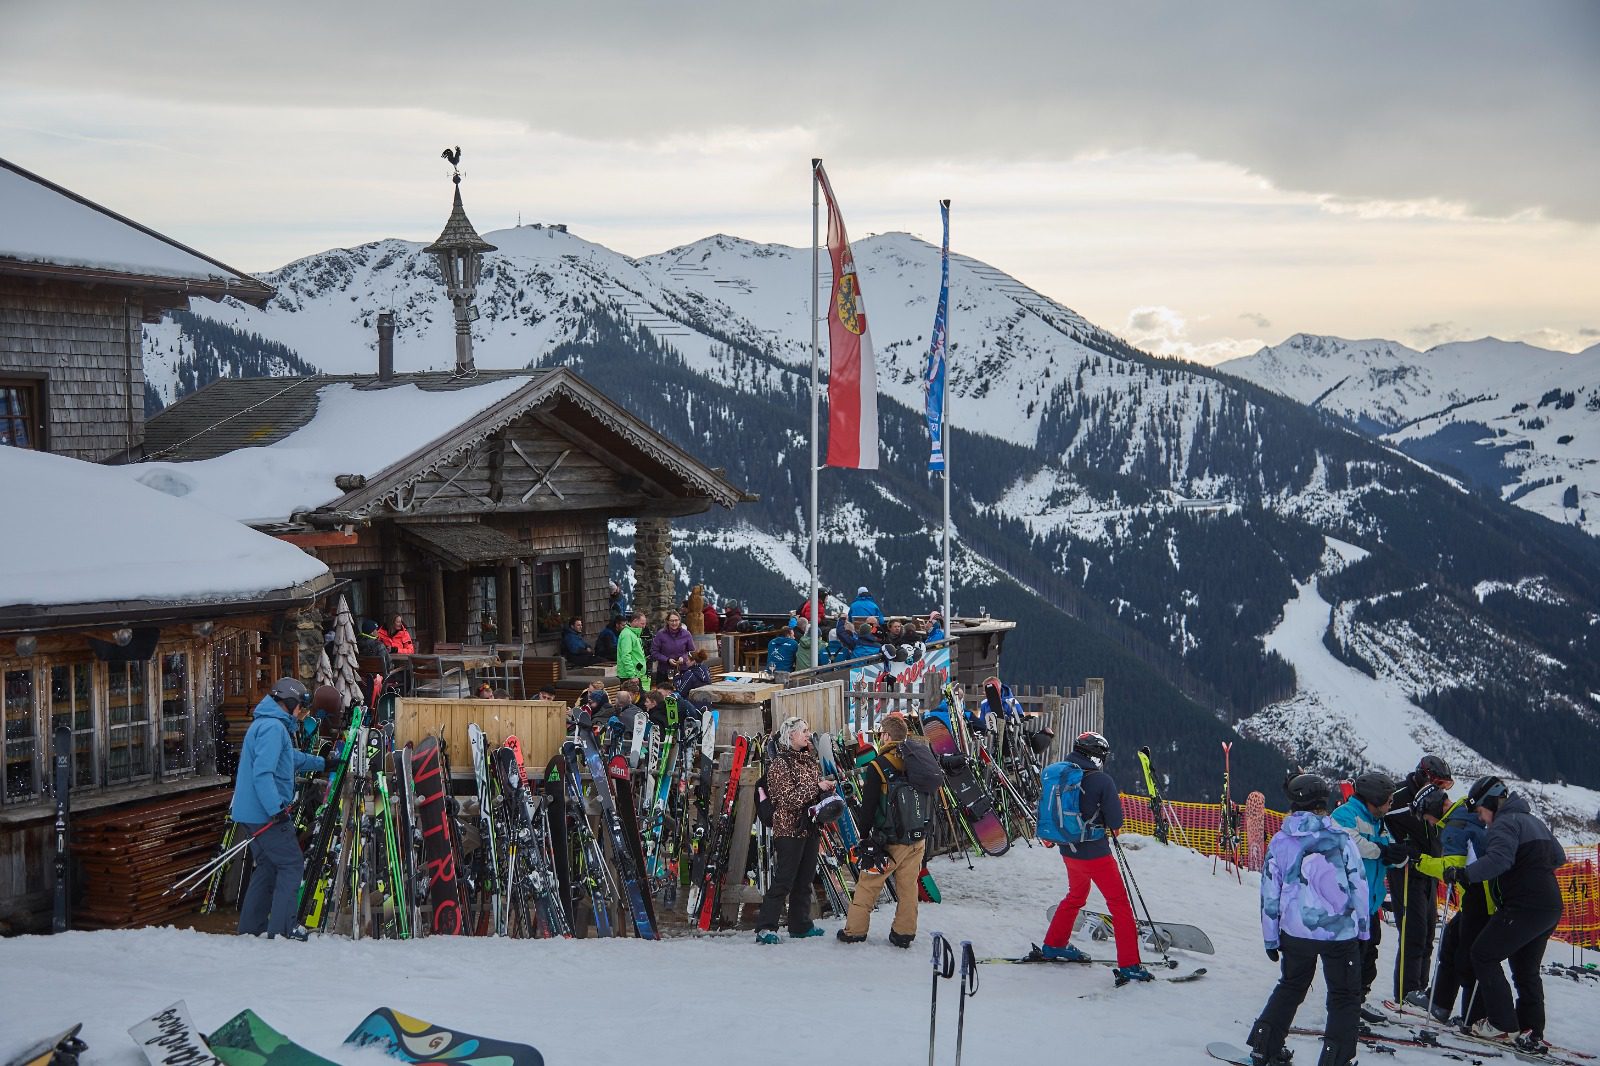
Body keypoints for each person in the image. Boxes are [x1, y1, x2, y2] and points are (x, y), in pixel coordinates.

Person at [1247, 773, 1369, 1066]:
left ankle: (1265, 1045)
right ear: (1323, 803)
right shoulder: (1341, 838)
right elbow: (1359, 886)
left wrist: (1270, 937)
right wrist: (1363, 932)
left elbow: (1269, 892)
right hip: (1339, 934)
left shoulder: (1281, 840)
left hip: (1296, 930)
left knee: (1291, 985)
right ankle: (1335, 1058)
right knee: (1344, 995)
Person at [1442, 777, 1567, 1049]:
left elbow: (1499, 860)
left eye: (1480, 812)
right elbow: (1559, 857)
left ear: (1490, 803)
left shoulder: (1504, 823)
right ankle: (1530, 1028)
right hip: (1549, 905)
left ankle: (1501, 1025)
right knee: (1525, 969)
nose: (1482, 819)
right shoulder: (1533, 821)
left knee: (1482, 954)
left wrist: (1464, 874)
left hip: (1524, 905)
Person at [1039, 731, 1153, 985]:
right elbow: (1116, 823)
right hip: (1096, 854)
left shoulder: (1059, 774)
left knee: (1076, 896)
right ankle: (1130, 964)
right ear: (1098, 755)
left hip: (1068, 850)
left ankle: (1054, 944)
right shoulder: (1102, 781)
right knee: (1120, 905)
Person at [231, 677, 327, 939]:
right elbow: (263, 774)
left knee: (268, 865)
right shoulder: (273, 729)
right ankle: (285, 928)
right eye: (301, 708)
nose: (301, 714)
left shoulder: (266, 725)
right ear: (291, 702)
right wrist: (275, 810)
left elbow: (289, 757)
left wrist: (322, 762)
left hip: (252, 814)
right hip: (266, 814)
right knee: (291, 864)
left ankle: (251, 927)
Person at [838, 713, 940, 947]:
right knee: (908, 886)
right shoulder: (919, 761)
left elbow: (869, 805)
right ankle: (904, 933)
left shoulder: (878, 765)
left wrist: (863, 836)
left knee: (868, 884)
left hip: (888, 840)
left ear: (885, 735)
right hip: (916, 838)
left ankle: (854, 931)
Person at [1331, 770, 1414, 1014]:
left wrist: (1398, 857)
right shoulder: (1345, 814)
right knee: (1351, 957)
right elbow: (1349, 842)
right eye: (1388, 800)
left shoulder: (1379, 821)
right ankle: (1345, 1006)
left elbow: (1384, 851)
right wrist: (1383, 851)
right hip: (1349, 902)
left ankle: (1357, 1000)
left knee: (1369, 956)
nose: (1391, 805)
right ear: (1375, 798)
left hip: (1370, 902)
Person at [1415, 787, 1493, 1026]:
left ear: (1434, 809)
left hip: (1480, 897)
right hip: (1479, 896)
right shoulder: (1465, 813)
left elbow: (1454, 867)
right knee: (1450, 942)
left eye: (1424, 816)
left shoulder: (1455, 827)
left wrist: (1419, 861)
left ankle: (1474, 1017)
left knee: (1468, 956)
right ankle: (1439, 1002)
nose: (1426, 821)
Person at [753, 717, 833, 944]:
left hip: (810, 826)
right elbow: (786, 800)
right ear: (790, 736)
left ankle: (800, 924)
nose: (808, 735)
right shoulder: (779, 764)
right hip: (788, 828)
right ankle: (766, 927)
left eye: (808, 730)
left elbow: (811, 791)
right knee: (784, 879)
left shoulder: (809, 760)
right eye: (803, 731)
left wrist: (826, 789)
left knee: (805, 879)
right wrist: (815, 787)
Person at [1385, 754, 1454, 999]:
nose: (1442, 790)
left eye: (1445, 786)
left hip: (1430, 871)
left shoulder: (1436, 800)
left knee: (1426, 935)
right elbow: (1379, 824)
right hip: (1406, 871)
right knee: (1413, 933)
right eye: (1438, 784)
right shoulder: (1399, 796)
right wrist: (1396, 850)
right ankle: (1406, 992)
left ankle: (1420, 992)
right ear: (1424, 776)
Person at [649, 610, 696, 684]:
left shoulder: (686, 634)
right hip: (664, 671)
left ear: (679, 621)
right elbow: (654, 652)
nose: (674, 623)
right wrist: (667, 660)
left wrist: (683, 658)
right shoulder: (660, 634)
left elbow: (691, 651)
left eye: (676, 620)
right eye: (671, 621)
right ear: (667, 621)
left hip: (682, 670)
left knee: (681, 694)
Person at [616, 611, 647, 685]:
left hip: (636, 674)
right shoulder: (627, 635)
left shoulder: (633, 634)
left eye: (645, 624)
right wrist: (632, 675)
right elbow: (625, 656)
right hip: (630, 676)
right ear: (635, 621)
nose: (644, 626)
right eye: (642, 623)